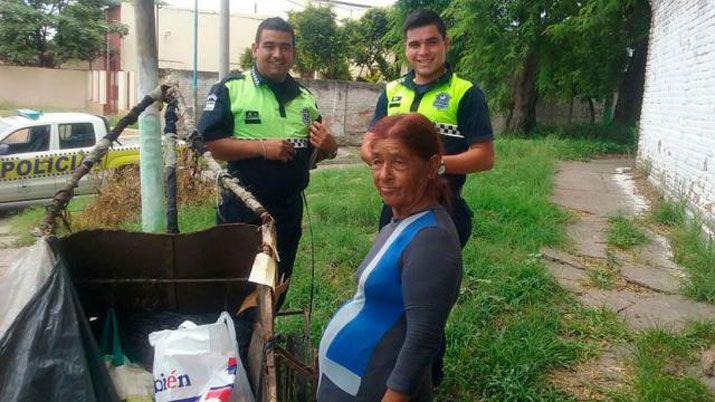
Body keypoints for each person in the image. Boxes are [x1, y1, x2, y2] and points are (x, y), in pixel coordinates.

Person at [318, 113, 462, 402]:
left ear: (432, 166)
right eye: (377, 161)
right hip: (351, 382)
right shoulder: (399, 221)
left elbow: (422, 340)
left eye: (398, 162)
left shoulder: (432, 239)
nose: (384, 174)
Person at [198, 17, 338, 308]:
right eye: (269, 46)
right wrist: (263, 148)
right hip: (241, 207)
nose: (277, 54)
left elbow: (311, 157)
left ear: (293, 53)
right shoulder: (232, 88)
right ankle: (236, 345)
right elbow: (208, 144)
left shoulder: (305, 99)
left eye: (285, 47)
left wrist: (330, 147)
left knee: (278, 285)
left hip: (287, 210)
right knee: (236, 286)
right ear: (255, 49)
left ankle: (266, 344)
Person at [360, 9, 494, 249]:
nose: (423, 52)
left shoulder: (465, 93)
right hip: (394, 207)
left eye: (431, 42)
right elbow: (367, 147)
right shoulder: (392, 91)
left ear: (446, 43)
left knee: (431, 280)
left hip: (443, 208)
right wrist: (389, 167)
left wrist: (432, 166)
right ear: (406, 49)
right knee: (389, 276)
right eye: (414, 44)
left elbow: (484, 157)